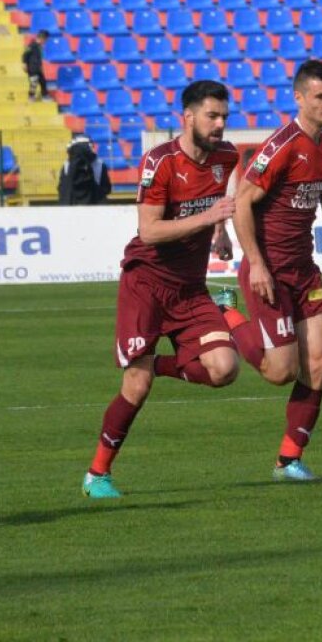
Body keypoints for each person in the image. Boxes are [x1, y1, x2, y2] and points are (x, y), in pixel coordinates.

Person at [82, 81, 240, 499]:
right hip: (147, 283)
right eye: (212, 116)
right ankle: (97, 474)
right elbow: (149, 231)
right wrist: (210, 217)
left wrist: (220, 231)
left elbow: (215, 200)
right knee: (136, 386)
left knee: (224, 369)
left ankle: (154, 364)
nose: (220, 124)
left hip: (189, 287)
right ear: (187, 117)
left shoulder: (227, 156)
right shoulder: (160, 162)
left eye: (224, 116)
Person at [228, 59, 322, 482]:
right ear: (299, 98)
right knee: (281, 372)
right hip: (268, 269)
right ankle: (227, 314)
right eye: (321, 96)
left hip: (304, 270)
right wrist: (255, 263)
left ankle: (289, 459)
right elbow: (242, 202)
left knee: (319, 360)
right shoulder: (281, 145)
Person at [57, 134, 112, 205]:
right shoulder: (100, 164)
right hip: (95, 210)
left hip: (70, 211)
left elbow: (62, 190)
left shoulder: (66, 165)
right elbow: (106, 189)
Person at [22, 30, 49, 100]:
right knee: (33, 83)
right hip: (32, 68)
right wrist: (24, 63)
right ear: (42, 38)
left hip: (38, 68)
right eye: (45, 40)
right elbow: (25, 54)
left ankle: (45, 95)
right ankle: (31, 96)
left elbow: (39, 58)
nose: (45, 42)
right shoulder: (32, 45)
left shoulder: (40, 47)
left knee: (43, 82)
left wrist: (41, 67)